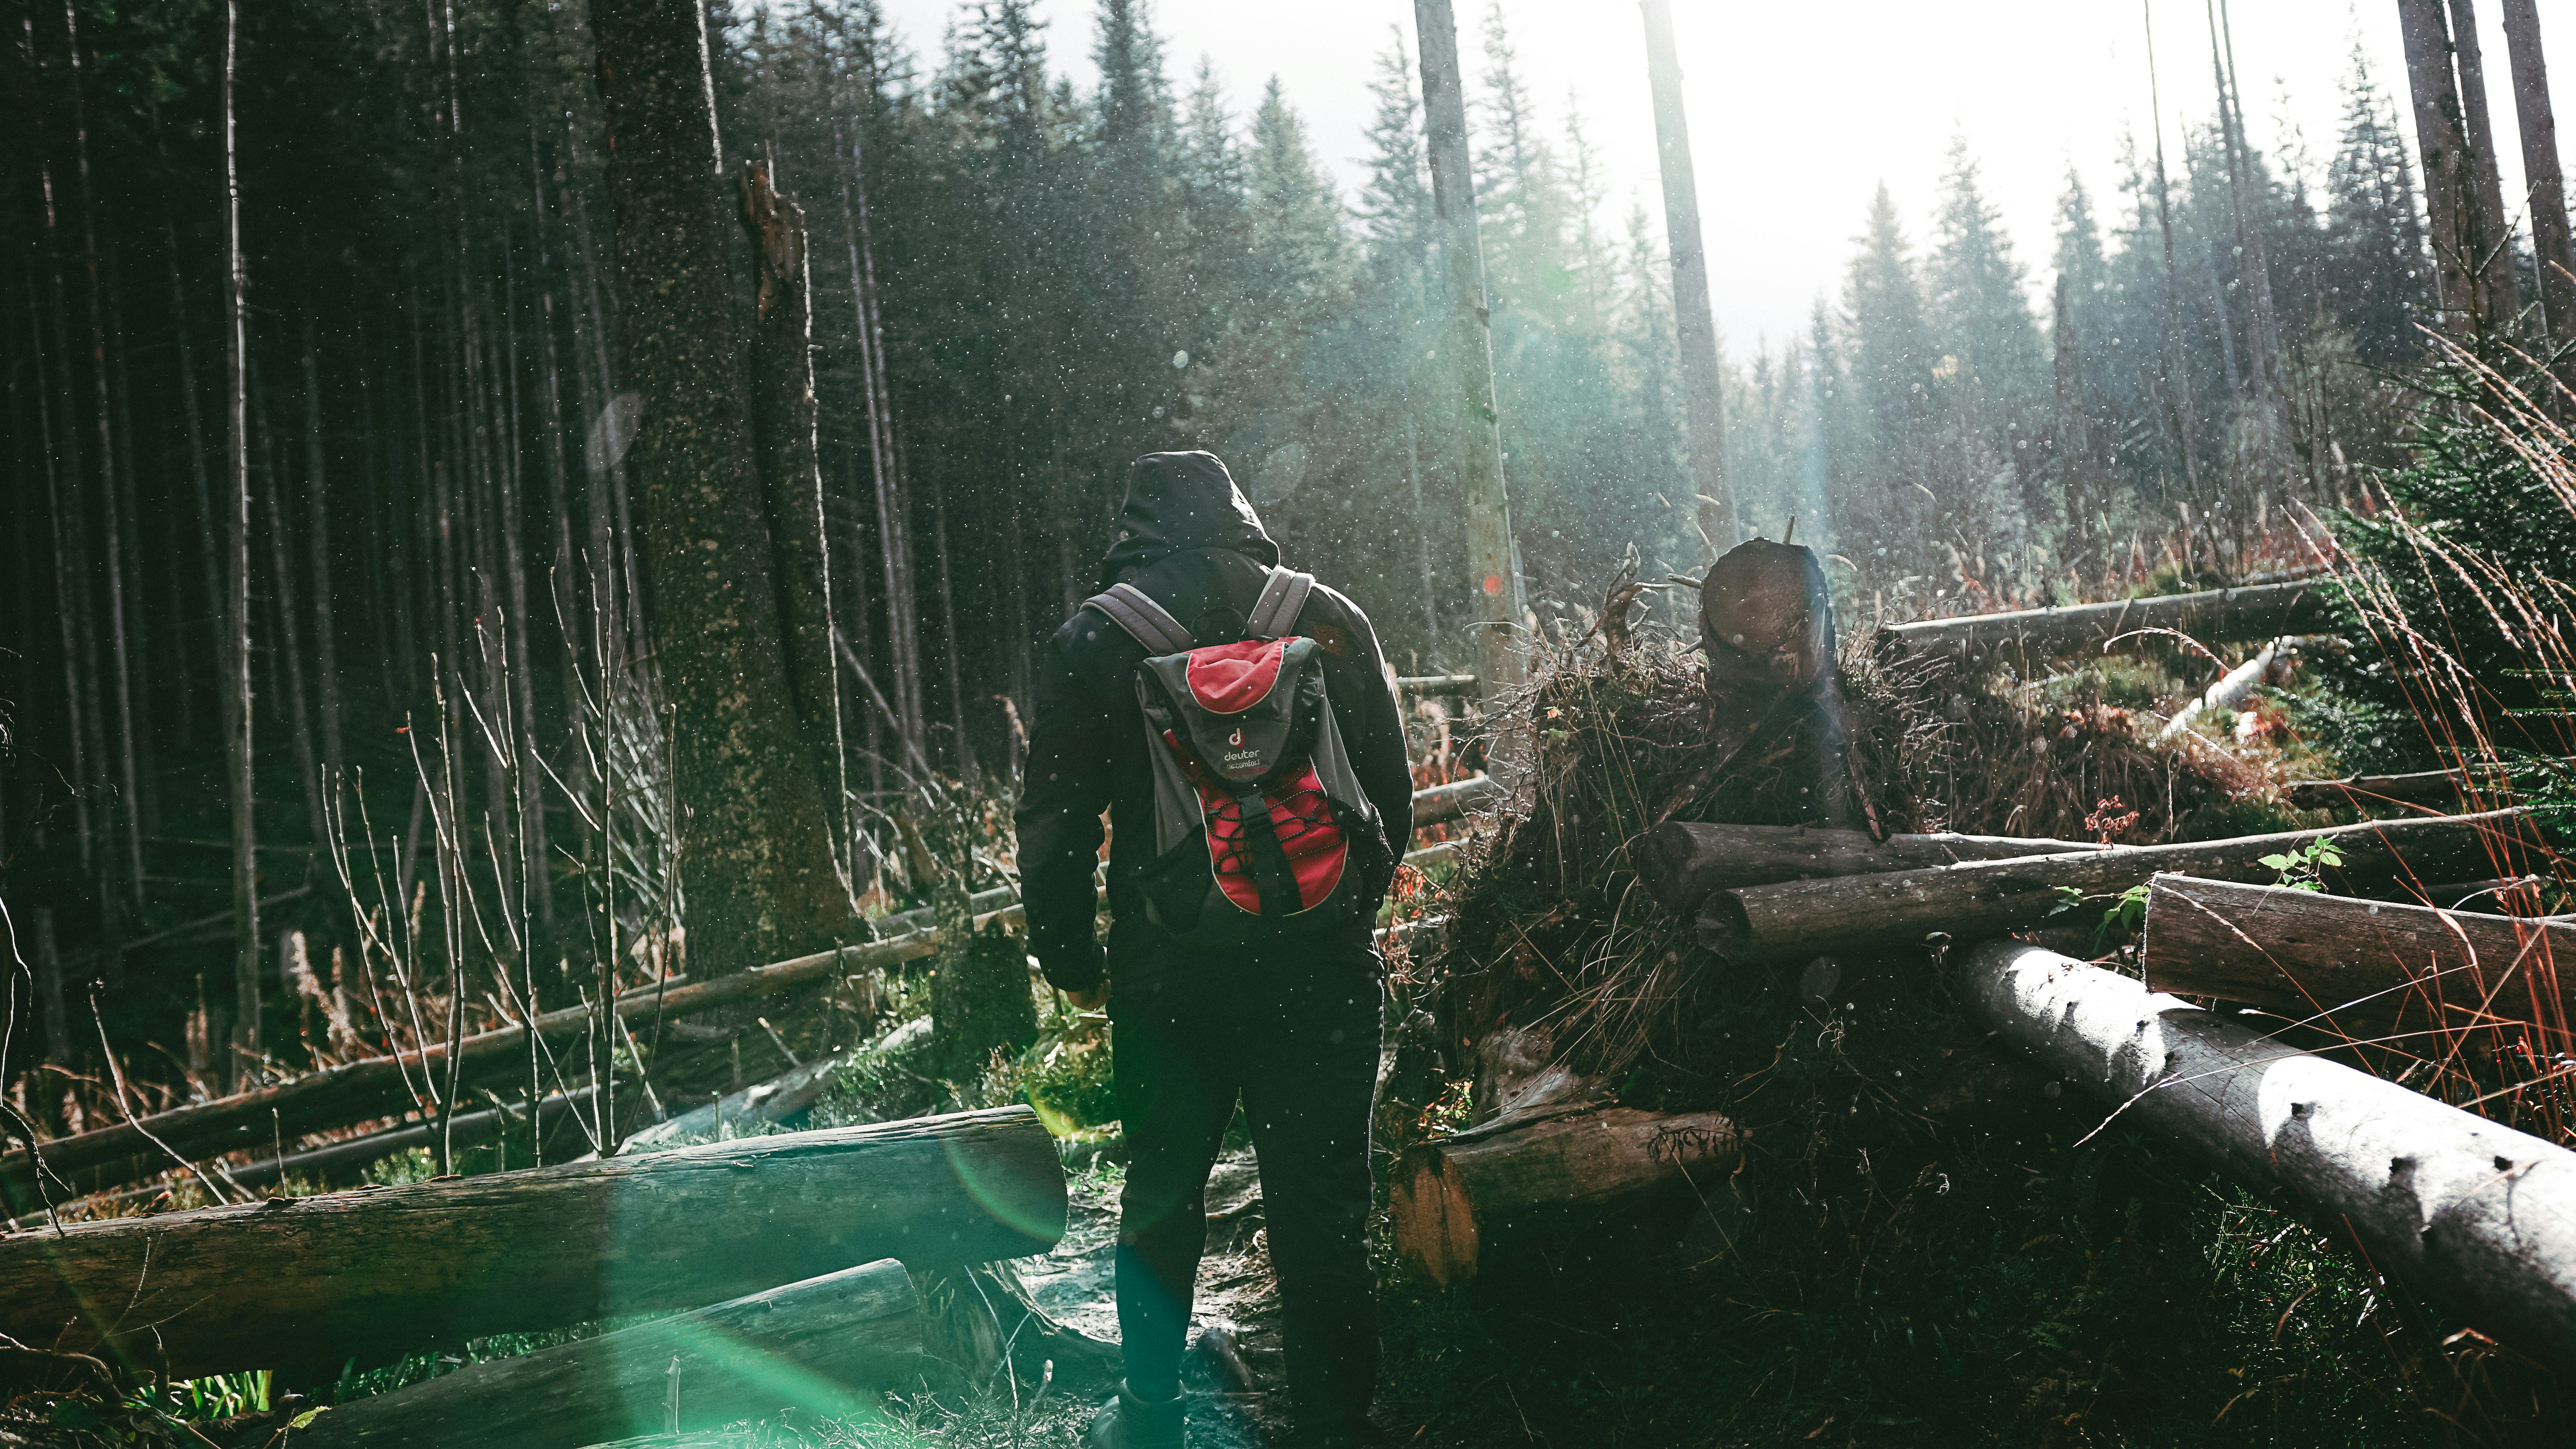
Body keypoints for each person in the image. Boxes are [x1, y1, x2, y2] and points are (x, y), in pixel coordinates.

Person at [1016, 451, 1414, 1449]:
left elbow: (1053, 828)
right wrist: (1340, 906)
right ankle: (1336, 1420)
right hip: (1318, 962)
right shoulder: (1324, 614)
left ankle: (1147, 1414)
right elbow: (1391, 794)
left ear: (1135, 526)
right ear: (1241, 516)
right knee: (1321, 1198)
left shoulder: (1094, 640)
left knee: (1160, 1195)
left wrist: (1072, 960)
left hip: (1170, 971)